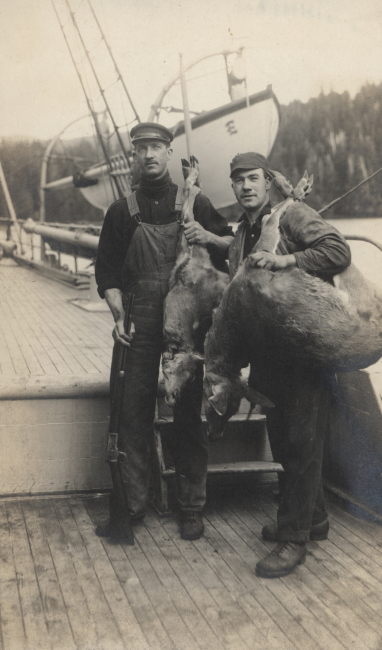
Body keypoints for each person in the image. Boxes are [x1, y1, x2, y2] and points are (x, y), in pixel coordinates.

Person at [95, 122, 233, 541]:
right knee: (132, 412)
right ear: (134, 156)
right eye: (143, 149)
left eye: (157, 147)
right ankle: (132, 505)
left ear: (169, 152)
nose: (150, 155)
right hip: (136, 320)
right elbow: (107, 272)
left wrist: (204, 235)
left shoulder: (195, 203)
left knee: (188, 412)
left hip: (185, 322)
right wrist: (118, 313)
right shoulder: (121, 211)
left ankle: (191, 507)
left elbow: (230, 247)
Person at [228, 152, 351, 578]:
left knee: (300, 444)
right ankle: (312, 519)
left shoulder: (291, 213)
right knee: (284, 443)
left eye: (253, 178)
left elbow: (337, 249)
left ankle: (294, 538)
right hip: (267, 354)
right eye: (239, 180)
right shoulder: (243, 231)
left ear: (268, 183)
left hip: (300, 351)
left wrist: (289, 260)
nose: (246, 186)